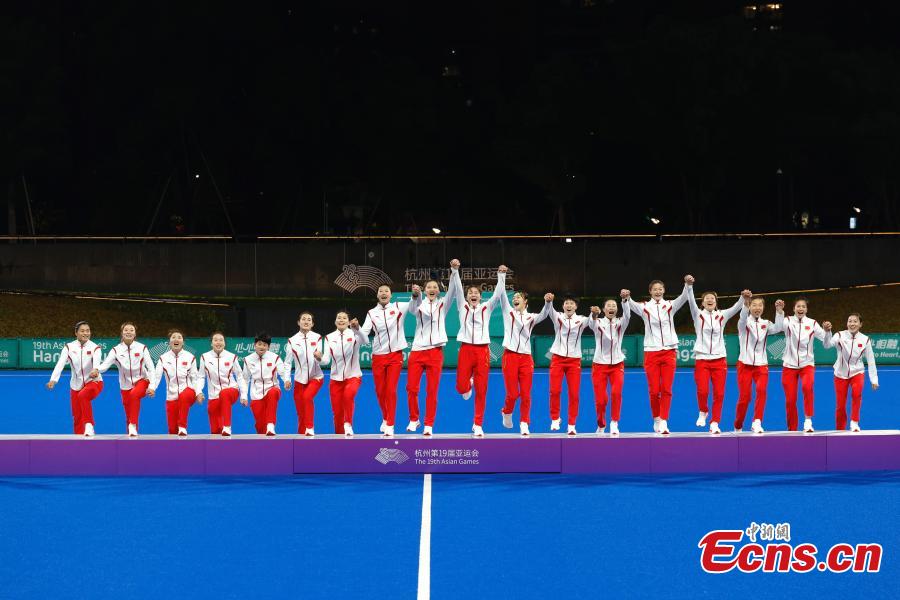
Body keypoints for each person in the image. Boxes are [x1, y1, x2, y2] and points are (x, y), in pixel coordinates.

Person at [621, 275, 693, 435]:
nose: (658, 291)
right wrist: (626, 297)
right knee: (654, 391)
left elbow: (683, 297)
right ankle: (656, 418)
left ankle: (664, 420)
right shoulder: (644, 307)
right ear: (650, 292)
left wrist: (687, 285)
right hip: (651, 352)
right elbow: (630, 304)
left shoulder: (670, 305)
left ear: (664, 291)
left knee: (666, 389)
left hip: (669, 351)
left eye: (660, 289)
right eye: (655, 289)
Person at [406, 260, 461, 436]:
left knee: (432, 391)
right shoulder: (418, 304)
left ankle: (429, 424)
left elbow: (453, 290)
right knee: (412, 388)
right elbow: (412, 308)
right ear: (424, 290)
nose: (431, 289)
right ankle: (414, 419)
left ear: (438, 291)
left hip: (435, 352)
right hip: (417, 351)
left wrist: (454, 270)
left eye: (434, 287)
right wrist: (415, 295)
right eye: (428, 287)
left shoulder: (443, 305)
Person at [450, 263, 505, 437]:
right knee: (461, 388)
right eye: (470, 293)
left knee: (482, 390)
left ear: (481, 296)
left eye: (476, 293)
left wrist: (501, 275)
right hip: (466, 349)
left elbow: (498, 294)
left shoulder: (487, 307)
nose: (473, 295)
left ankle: (478, 424)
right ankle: (468, 384)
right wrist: (455, 271)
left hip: (482, 352)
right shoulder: (462, 306)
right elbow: (458, 289)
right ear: (466, 297)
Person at [360, 283, 422, 437]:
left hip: (395, 355)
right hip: (378, 355)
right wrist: (356, 330)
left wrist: (416, 295)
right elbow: (364, 335)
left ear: (390, 294)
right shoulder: (371, 313)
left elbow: (414, 306)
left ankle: (390, 424)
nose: (383, 293)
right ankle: (386, 417)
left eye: (386, 291)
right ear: (377, 295)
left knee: (391, 390)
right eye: (380, 291)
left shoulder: (398, 306)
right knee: (380, 391)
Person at [685, 286, 746, 434]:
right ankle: (703, 411)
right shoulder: (697, 315)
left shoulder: (722, 315)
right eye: (707, 298)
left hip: (719, 360)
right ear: (702, 303)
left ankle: (715, 422)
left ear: (716, 302)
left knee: (719, 394)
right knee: (702, 390)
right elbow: (691, 300)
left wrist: (743, 298)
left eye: (712, 298)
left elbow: (736, 308)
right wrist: (689, 286)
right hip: (702, 359)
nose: (710, 300)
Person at [497, 278, 551, 436]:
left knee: (526, 394)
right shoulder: (508, 313)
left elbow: (544, 314)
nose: (515, 299)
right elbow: (502, 296)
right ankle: (506, 411)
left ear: (525, 301)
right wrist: (501, 276)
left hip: (526, 359)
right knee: (513, 394)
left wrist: (548, 302)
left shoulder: (531, 317)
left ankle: (524, 423)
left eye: (518, 297)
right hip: (510, 357)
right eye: (514, 297)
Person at [92, 322, 155, 437]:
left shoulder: (142, 348)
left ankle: (132, 425)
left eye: (131, 330)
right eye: (126, 330)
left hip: (142, 380)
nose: (128, 332)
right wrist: (97, 369)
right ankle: (131, 437)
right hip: (125, 385)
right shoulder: (116, 350)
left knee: (134, 395)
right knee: (129, 412)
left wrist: (152, 386)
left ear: (135, 334)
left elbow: (151, 368)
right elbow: (105, 365)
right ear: (122, 333)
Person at [735, 294, 785, 433]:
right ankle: (738, 424)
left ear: (763, 307)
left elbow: (778, 328)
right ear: (750, 307)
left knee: (761, 392)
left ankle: (757, 421)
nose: (757, 308)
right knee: (745, 397)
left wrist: (779, 311)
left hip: (761, 364)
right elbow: (742, 318)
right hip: (744, 364)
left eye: (760, 305)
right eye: (754, 305)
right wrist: (745, 304)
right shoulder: (744, 323)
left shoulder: (766, 324)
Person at [46, 320, 104, 437]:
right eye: (82, 331)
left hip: (94, 382)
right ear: (76, 333)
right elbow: (60, 363)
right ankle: (78, 439)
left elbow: (97, 362)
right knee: (77, 415)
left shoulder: (95, 348)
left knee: (83, 395)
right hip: (75, 385)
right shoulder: (69, 347)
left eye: (87, 331)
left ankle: (89, 425)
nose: (85, 333)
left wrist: (95, 369)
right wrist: (53, 379)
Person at [781, 297, 831, 433]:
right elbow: (778, 326)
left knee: (807, 387)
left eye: (803, 306)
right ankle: (792, 429)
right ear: (793, 309)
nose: (801, 309)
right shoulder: (787, 321)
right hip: (789, 365)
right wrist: (779, 312)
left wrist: (827, 331)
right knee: (790, 400)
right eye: (798, 306)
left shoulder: (813, 323)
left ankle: (808, 421)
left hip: (807, 364)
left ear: (806, 309)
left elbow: (827, 343)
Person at [823, 314, 879, 432]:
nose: (852, 324)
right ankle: (840, 429)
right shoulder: (839, 335)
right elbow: (827, 345)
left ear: (860, 324)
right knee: (840, 404)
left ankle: (854, 422)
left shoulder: (865, 339)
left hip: (857, 372)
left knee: (857, 395)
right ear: (847, 323)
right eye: (850, 321)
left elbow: (871, 359)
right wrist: (827, 332)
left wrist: (874, 379)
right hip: (840, 374)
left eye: (855, 321)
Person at [546, 293, 590, 435]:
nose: (569, 305)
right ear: (563, 306)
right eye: (566, 303)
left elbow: (593, 321)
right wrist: (548, 301)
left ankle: (571, 424)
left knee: (574, 394)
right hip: (557, 359)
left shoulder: (582, 319)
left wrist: (595, 314)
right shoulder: (557, 316)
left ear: (576, 306)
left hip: (574, 360)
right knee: (554, 391)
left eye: (572, 303)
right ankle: (555, 418)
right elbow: (549, 309)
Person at [318, 312, 368, 437]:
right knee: (337, 412)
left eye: (344, 318)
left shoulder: (354, 334)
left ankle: (348, 424)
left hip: (353, 376)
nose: (341, 320)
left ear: (348, 321)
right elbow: (326, 360)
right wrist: (319, 359)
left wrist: (358, 329)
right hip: (335, 379)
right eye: (339, 318)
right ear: (335, 322)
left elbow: (366, 341)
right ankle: (339, 438)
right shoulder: (329, 338)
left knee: (348, 395)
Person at [588, 298, 631, 435]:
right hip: (599, 365)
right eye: (608, 305)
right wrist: (594, 314)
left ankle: (614, 422)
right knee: (601, 400)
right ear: (604, 309)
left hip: (617, 364)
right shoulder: (598, 322)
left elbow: (628, 314)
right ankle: (601, 424)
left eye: (614, 305)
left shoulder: (621, 322)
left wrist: (625, 301)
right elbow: (591, 322)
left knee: (616, 393)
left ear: (617, 309)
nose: (611, 307)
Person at [150, 329, 204, 436]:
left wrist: (198, 393)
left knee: (184, 396)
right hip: (171, 397)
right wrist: (152, 388)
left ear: (183, 342)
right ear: (169, 342)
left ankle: (183, 426)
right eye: (173, 337)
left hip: (188, 392)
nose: (176, 339)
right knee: (172, 430)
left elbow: (195, 378)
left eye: (179, 337)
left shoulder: (190, 357)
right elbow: (157, 376)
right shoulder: (163, 358)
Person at [198, 332, 247, 436]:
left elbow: (240, 377)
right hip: (214, 396)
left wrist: (244, 395)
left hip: (231, 390)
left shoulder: (232, 357)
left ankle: (227, 426)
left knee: (224, 393)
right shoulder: (204, 357)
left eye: (221, 340)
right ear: (211, 343)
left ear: (224, 343)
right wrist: (199, 392)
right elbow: (201, 376)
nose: (218, 342)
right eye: (215, 340)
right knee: (215, 431)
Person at [283, 312, 324, 436]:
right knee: (301, 412)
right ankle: (301, 437)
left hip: (316, 377)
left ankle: (310, 428)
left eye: (309, 320)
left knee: (307, 397)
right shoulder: (292, 340)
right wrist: (286, 379)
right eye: (303, 319)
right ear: (298, 322)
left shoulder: (317, 337)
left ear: (312, 324)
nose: (306, 321)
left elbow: (322, 358)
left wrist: (319, 357)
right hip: (299, 380)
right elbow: (287, 362)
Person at [242, 332, 286, 436]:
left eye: (265, 345)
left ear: (268, 347)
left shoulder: (275, 358)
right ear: (255, 345)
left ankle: (271, 425)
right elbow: (245, 379)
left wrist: (286, 381)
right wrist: (244, 396)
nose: (262, 347)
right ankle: (264, 439)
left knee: (272, 393)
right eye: (259, 344)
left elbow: (283, 372)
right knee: (260, 426)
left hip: (272, 388)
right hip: (256, 394)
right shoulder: (248, 360)